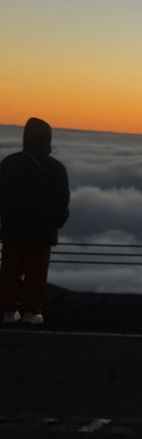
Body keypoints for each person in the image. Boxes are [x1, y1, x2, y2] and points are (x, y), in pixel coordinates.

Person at [1, 118, 71, 325]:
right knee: (37, 274)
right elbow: (61, 201)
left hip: (12, 231)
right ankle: (32, 311)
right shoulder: (55, 168)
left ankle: (7, 310)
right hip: (42, 233)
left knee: (10, 271)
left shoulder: (9, 164)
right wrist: (57, 222)